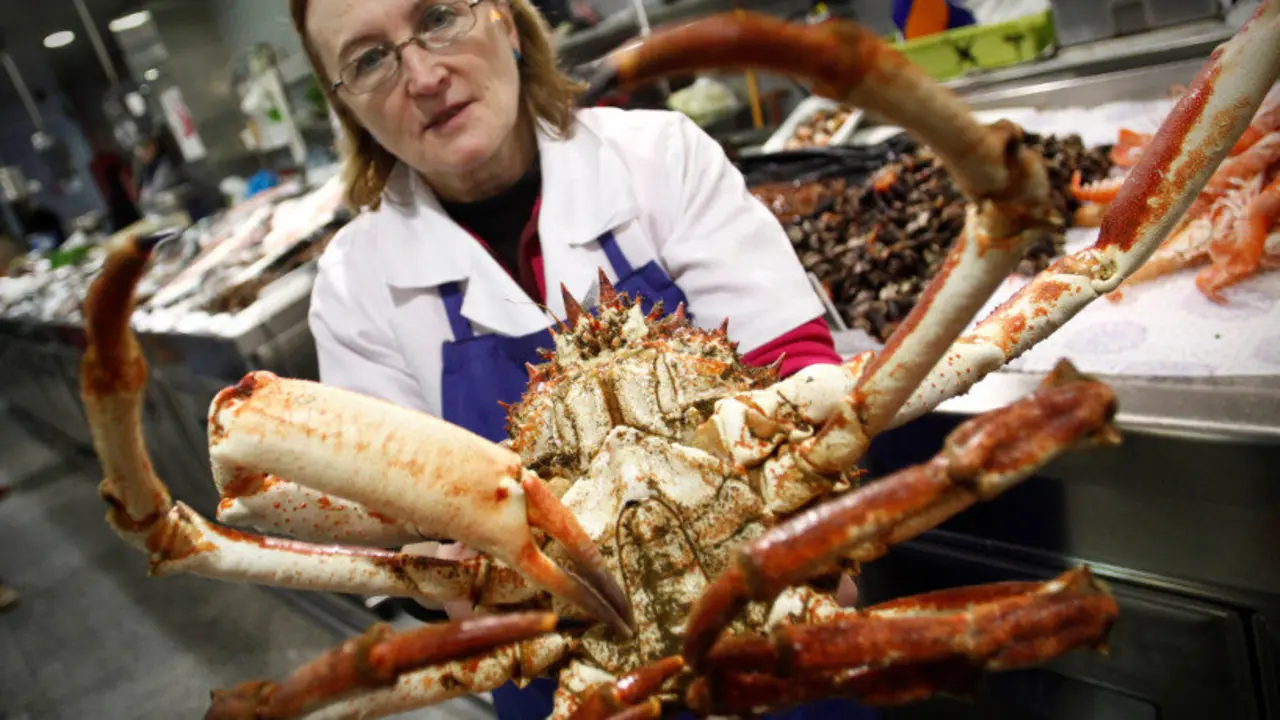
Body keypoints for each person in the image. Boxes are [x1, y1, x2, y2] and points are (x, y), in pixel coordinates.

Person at [290, 0, 872, 718]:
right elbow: (399, 532)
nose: (422, 75)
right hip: (569, 677)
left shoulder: (659, 157)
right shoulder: (356, 285)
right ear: (346, 108)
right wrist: (445, 584)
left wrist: (814, 525)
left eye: (439, 16)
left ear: (504, 18)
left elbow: (802, 386)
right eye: (368, 59)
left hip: (775, 628)